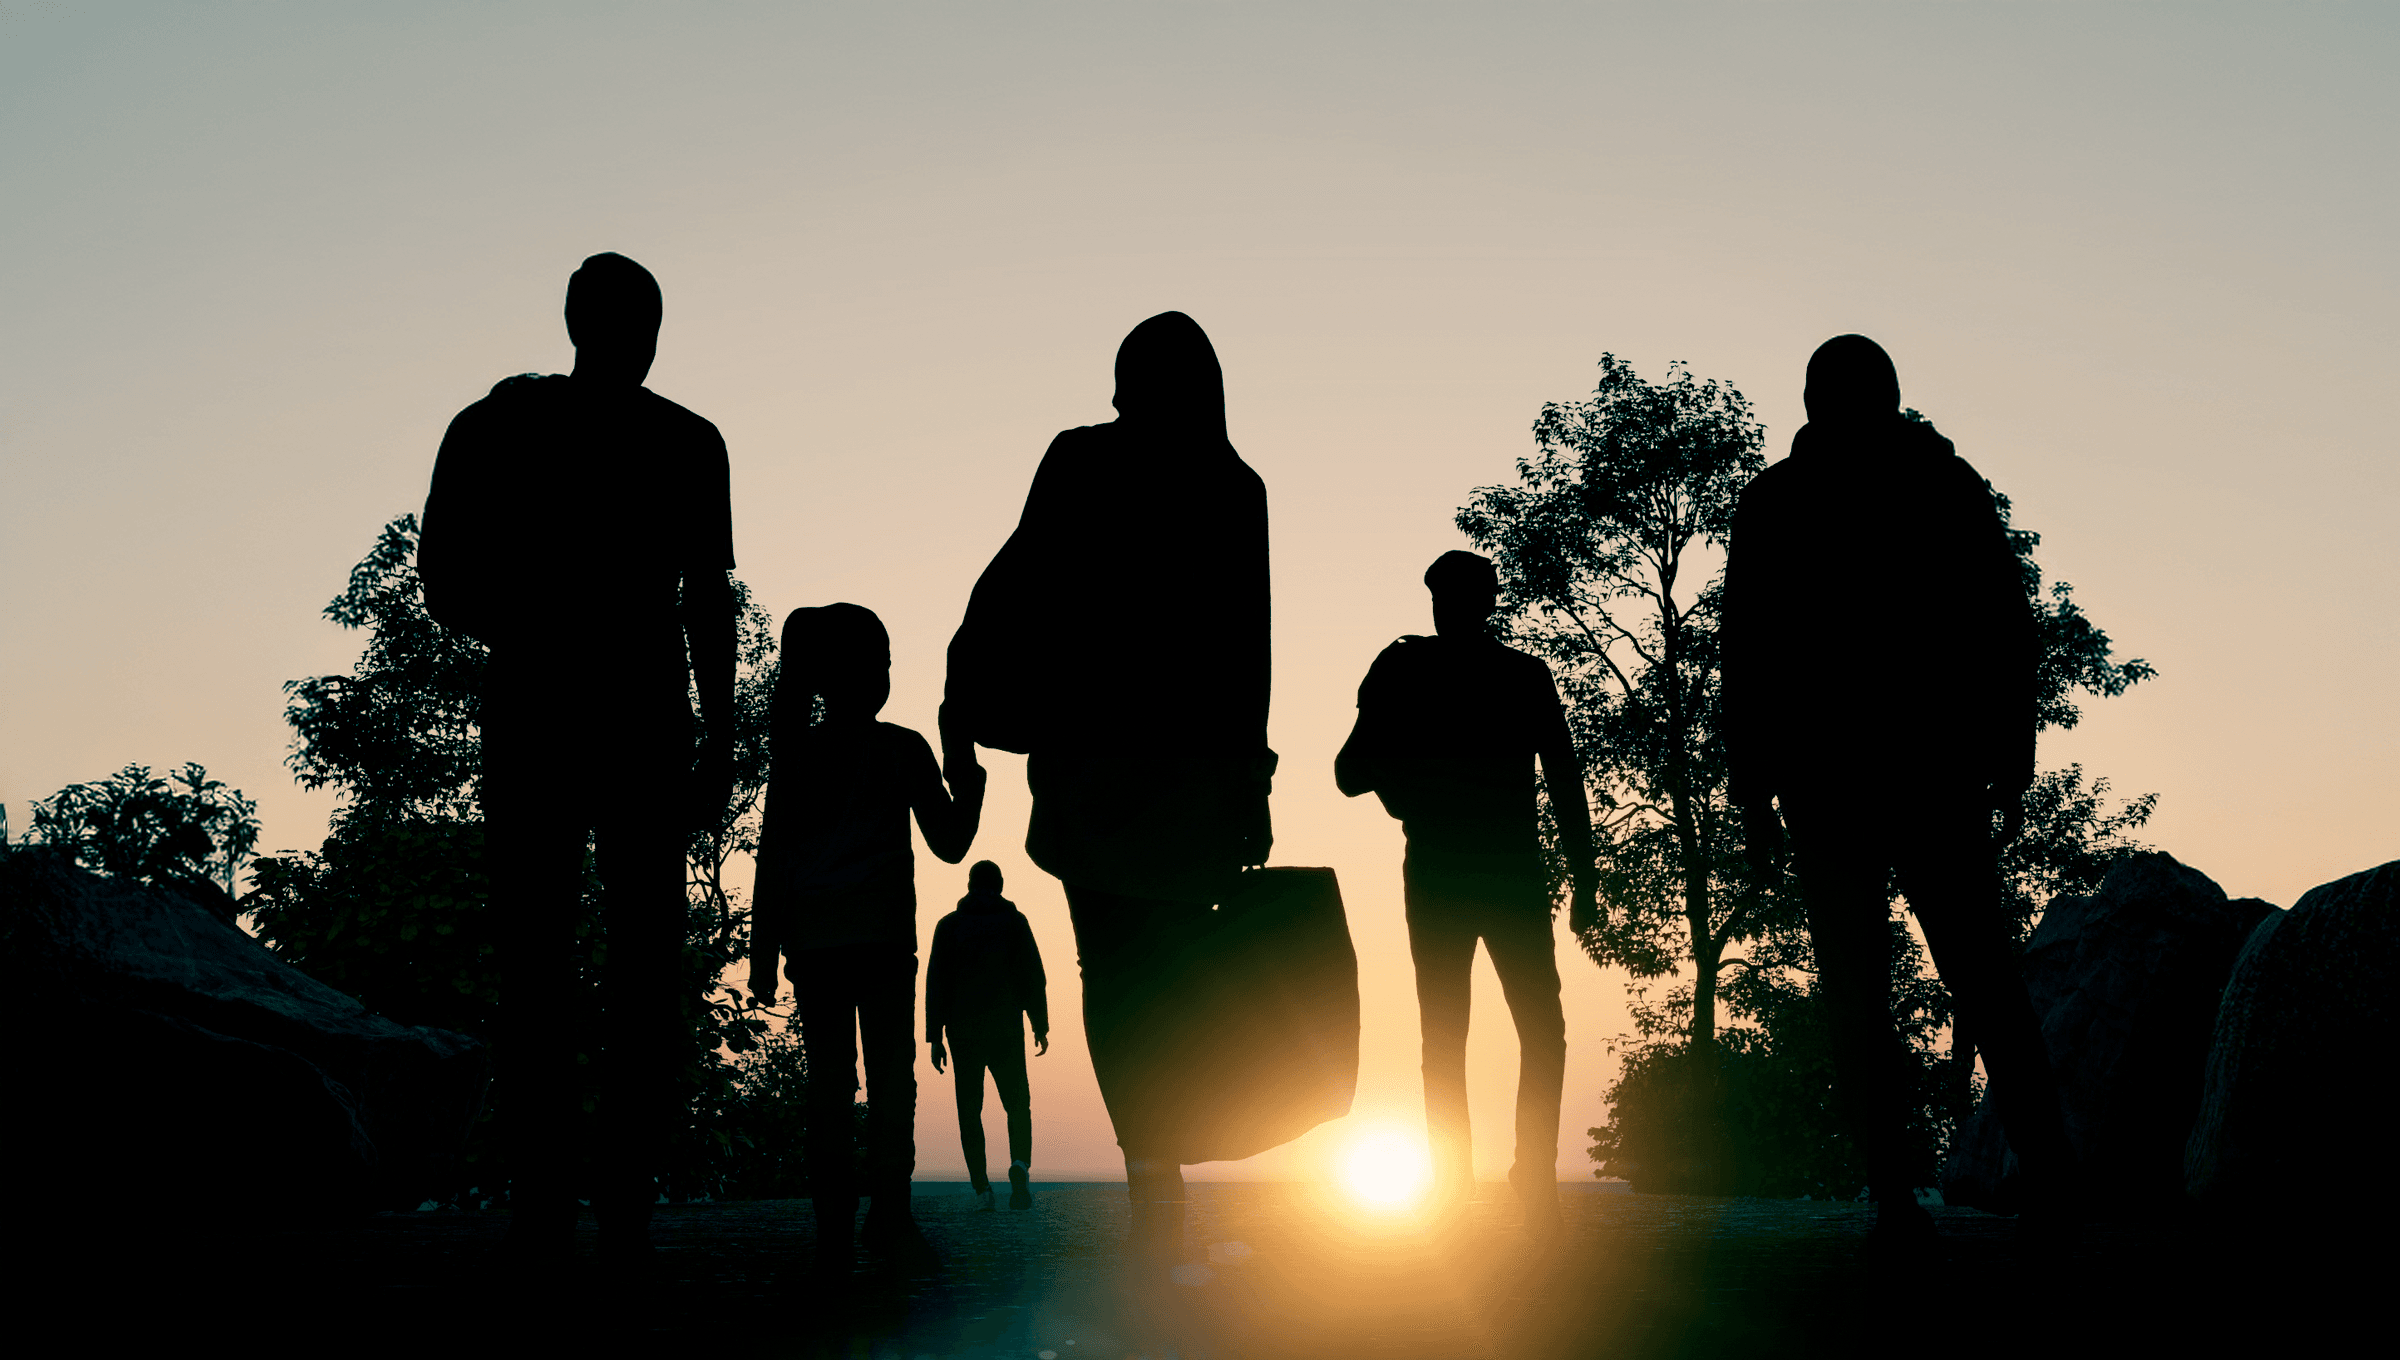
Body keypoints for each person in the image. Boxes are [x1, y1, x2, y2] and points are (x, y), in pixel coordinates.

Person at [1720, 333, 2077, 1248]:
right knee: (1959, 975)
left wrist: (1754, 792)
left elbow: (1749, 659)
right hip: (1896, 772)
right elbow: (1750, 657)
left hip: (1880, 773)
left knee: (1922, 979)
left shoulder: (1801, 501)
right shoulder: (1923, 487)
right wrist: (2012, 751)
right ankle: (1955, 1182)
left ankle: (1926, 1186)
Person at [417, 251, 735, 1268]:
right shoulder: (682, 441)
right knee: (613, 965)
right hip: (618, 718)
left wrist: (531, 626)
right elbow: (705, 603)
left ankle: (562, 1203)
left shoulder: (497, 427)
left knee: (551, 966)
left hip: (556, 715)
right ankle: (605, 1202)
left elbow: (445, 581)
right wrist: (719, 734)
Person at [942, 310, 1274, 1265]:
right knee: (1166, 975)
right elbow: (1245, 652)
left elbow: (1011, 583)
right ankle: (1160, 1164)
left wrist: (964, 695)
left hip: (1100, 772)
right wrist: (1249, 783)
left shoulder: (1084, 461)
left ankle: (1152, 1171)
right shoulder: (1231, 486)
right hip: (1181, 781)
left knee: (1119, 976)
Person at [1334, 550, 1597, 1236]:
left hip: (1472, 871)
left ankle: (1509, 1179)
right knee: (1503, 1030)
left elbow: (1564, 777)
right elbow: (1352, 770)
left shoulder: (1440, 671)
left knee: (1486, 1030)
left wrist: (1587, 874)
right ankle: (1493, 1181)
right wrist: (1586, 875)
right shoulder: (1486, 674)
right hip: (1480, 870)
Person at [751, 603, 985, 1272]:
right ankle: (887, 1216)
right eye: (880, 662)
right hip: (882, 944)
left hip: (818, 947)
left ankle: (835, 1228)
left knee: (829, 1087)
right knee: (890, 1083)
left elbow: (775, 860)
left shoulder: (799, 755)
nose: (884, 674)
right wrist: (961, 765)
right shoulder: (901, 749)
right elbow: (952, 841)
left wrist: (766, 952)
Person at [926, 859, 1050, 1211]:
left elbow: (936, 982)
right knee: (1017, 1105)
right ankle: (1020, 1166)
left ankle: (982, 1189)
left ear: (969, 885)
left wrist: (935, 1036)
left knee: (969, 1110)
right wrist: (1039, 1023)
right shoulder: (1015, 923)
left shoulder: (948, 926)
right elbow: (1033, 976)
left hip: (963, 1032)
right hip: (1006, 1029)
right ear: (1000, 885)